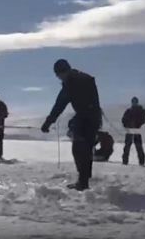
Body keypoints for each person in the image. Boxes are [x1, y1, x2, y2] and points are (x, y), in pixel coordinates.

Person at [41, 59, 101, 191]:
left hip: (86, 119)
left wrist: (48, 122)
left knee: (79, 150)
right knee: (85, 150)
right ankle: (84, 179)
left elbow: (59, 105)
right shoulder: (82, 77)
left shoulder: (72, 82)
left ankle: (83, 182)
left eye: (58, 75)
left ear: (62, 72)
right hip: (93, 117)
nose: (59, 78)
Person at [121, 96, 145, 166]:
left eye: (135, 102)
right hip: (130, 130)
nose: (134, 103)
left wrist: (137, 125)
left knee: (138, 147)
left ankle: (141, 161)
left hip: (136, 131)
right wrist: (127, 125)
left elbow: (142, 120)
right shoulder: (129, 111)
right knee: (127, 147)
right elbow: (123, 120)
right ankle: (125, 161)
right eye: (133, 102)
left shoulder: (140, 111)